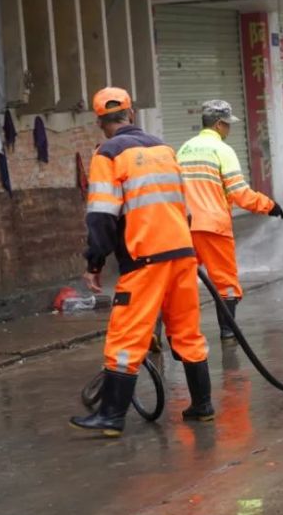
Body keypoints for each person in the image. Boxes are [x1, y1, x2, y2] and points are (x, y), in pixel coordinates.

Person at [71, 87, 213, 437]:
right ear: (131, 114)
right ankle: (202, 406)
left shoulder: (107, 153)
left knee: (126, 335)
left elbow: (102, 215)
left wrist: (94, 263)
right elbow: (186, 206)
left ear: (101, 122)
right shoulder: (164, 149)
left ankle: (111, 417)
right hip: (181, 253)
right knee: (186, 331)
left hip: (144, 258)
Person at [177, 100, 283, 342]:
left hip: (184, 225)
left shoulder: (185, 149)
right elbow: (240, 193)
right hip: (213, 226)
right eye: (227, 125)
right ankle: (228, 331)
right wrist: (270, 206)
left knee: (181, 280)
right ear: (219, 124)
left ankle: (177, 331)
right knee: (225, 281)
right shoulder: (222, 150)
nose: (229, 130)